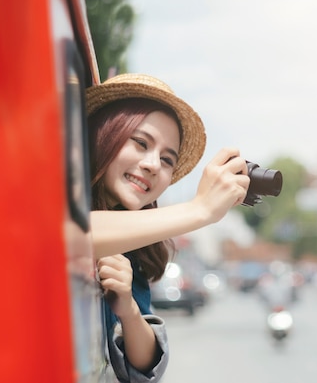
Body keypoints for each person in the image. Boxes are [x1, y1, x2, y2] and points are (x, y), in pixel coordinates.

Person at [86, 73, 250, 382]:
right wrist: (200, 209)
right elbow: (67, 234)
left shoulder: (134, 251)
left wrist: (129, 309)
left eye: (166, 160)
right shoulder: (53, 199)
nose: (152, 165)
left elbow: (145, 366)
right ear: (104, 134)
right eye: (140, 142)